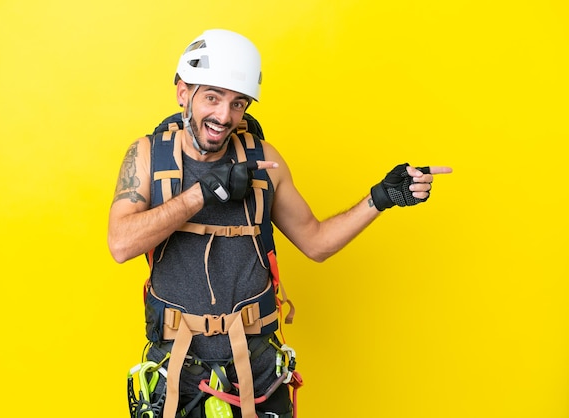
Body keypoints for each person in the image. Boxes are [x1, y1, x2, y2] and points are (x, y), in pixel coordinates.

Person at [108, 29, 452, 418]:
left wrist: (379, 199)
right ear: (183, 92)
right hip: (177, 374)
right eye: (212, 97)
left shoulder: (264, 161)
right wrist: (202, 193)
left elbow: (316, 242)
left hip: (256, 372)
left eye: (238, 104)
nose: (224, 116)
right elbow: (121, 243)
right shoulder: (148, 157)